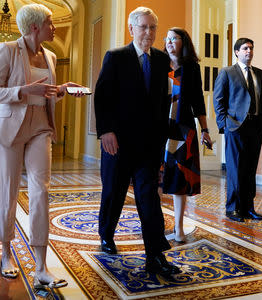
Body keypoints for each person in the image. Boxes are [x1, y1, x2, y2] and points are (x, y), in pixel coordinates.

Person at [0, 4, 82, 289]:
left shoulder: (50, 55)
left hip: (41, 126)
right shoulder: (8, 50)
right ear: (35, 27)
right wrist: (22, 91)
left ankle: (41, 266)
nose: (54, 27)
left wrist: (61, 89)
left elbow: (45, 94)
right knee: (8, 191)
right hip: (9, 129)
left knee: (41, 191)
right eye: (50, 23)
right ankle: (5, 254)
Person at [94, 7, 180, 277]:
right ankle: (106, 235)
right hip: (117, 143)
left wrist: (164, 138)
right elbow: (102, 97)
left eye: (153, 28)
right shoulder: (116, 57)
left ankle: (155, 255)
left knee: (149, 198)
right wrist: (106, 131)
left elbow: (162, 102)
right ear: (132, 29)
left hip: (148, 146)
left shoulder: (160, 60)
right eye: (143, 27)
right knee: (113, 193)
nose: (148, 33)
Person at [161, 28, 212, 242]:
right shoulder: (158, 63)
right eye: (168, 38)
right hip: (159, 128)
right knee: (157, 177)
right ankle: (156, 225)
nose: (170, 41)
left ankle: (179, 229)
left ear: (183, 42)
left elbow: (198, 101)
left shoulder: (191, 67)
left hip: (183, 129)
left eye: (174, 38)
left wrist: (205, 130)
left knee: (179, 180)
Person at [213, 38, 262, 222]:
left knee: (250, 169)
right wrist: (224, 124)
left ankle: (248, 208)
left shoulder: (260, 74)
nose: (249, 51)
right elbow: (218, 100)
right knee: (235, 168)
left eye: (251, 48)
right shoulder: (227, 72)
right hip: (235, 127)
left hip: (256, 127)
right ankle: (233, 209)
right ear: (236, 52)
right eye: (245, 48)